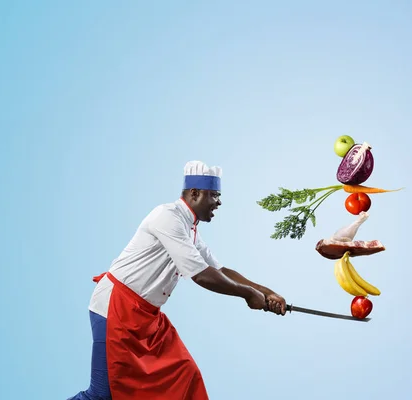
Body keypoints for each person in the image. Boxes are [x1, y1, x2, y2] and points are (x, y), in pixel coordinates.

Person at [68, 160, 287, 400]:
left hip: (147, 317)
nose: (219, 202)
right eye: (214, 195)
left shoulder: (189, 228)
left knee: (185, 374)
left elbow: (219, 269)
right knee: (101, 395)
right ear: (195, 193)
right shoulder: (167, 217)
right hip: (116, 307)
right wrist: (248, 294)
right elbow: (202, 275)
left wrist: (265, 292)